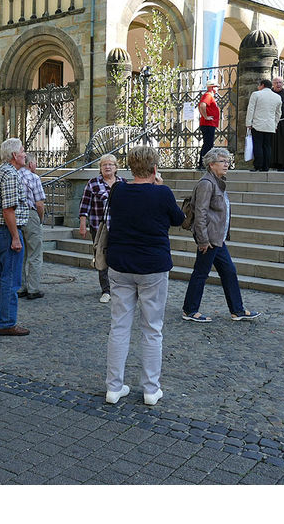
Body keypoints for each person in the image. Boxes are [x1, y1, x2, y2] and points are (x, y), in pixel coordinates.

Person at [104, 145, 185, 407]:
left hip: (120, 265)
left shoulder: (118, 190)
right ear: (154, 168)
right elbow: (179, 218)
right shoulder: (162, 193)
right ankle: (151, 389)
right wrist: (159, 185)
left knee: (119, 326)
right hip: (152, 266)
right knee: (152, 328)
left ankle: (114, 388)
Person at [181, 148, 262, 324]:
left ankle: (237, 310)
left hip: (217, 238)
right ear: (211, 164)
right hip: (209, 239)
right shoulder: (206, 184)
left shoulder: (217, 182)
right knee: (201, 273)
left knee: (229, 272)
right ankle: (190, 309)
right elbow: (200, 213)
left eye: (228, 161)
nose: (227, 164)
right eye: (223, 161)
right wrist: (203, 240)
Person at [0, 137, 30, 336]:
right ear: (14, 155)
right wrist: (15, 237)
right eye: (22, 151)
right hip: (5, 231)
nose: (25, 154)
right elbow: (8, 209)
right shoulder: (11, 175)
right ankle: (7, 322)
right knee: (10, 280)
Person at [78, 154, 127, 303]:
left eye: (111, 164)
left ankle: (118, 287)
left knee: (117, 256)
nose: (107, 167)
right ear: (100, 168)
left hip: (119, 227)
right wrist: (82, 224)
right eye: (104, 164)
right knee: (101, 256)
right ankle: (106, 290)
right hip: (99, 227)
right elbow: (84, 205)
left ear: (116, 167)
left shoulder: (122, 183)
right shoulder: (93, 183)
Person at [16, 153, 46, 301]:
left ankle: (20, 287)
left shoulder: (13, 176)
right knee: (35, 254)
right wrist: (40, 218)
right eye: (35, 162)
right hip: (30, 215)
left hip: (15, 217)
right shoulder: (33, 178)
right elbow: (39, 204)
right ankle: (33, 289)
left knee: (21, 254)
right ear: (31, 164)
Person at [245, 79, 282, 172]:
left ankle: (258, 165)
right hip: (270, 125)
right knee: (267, 146)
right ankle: (266, 166)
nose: (258, 87)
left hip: (258, 124)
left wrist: (248, 123)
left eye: (259, 85)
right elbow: (278, 113)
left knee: (258, 145)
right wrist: (275, 124)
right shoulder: (277, 97)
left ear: (262, 85)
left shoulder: (256, 94)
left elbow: (251, 109)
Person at [197, 81, 220, 169]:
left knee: (207, 144)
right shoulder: (208, 95)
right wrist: (206, 117)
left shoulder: (209, 96)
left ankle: (203, 163)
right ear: (211, 87)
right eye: (216, 86)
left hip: (209, 123)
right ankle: (203, 163)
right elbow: (202, 105)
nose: (217, 88)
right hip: (208, 124)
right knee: (208, 144)